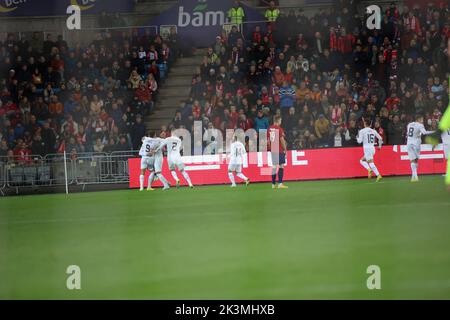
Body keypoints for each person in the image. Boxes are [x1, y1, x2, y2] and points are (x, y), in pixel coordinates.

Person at [406, 115, 434, 182]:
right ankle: (416, 176)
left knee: (412, 160)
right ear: (418, 119)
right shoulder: (420, 125)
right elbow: (424, 133)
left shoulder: (409, 124)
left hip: (409, 143)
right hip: (416, 143)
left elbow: (408, 133)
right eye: (422, 119)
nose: (422, 121)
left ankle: (413, 176)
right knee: (416, 160)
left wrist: (418, 134)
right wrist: (434, 132)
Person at [357, 118, 383, 182]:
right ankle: (369, 170)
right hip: (372, 148)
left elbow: (359, 141)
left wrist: (357, 138)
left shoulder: (362, 131)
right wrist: (379, 146)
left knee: (371, 163)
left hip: (367, 149)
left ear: (365, 124)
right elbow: (380, 138)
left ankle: (378, 175)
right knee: (361, 160)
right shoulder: (373, 131)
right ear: (370, 124)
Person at [268, 115, 288, 189]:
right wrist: (285, 149)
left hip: (273, 149)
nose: (280, 122)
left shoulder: (269, 128)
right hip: (279, 149)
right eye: (280, 120)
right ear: (278, 120)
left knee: (274, 166)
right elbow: (282, 140)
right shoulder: (279, 128)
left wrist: (270, 148)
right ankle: (280, 183)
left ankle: (273, 184)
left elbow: (268, 140)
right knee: (281, 165)